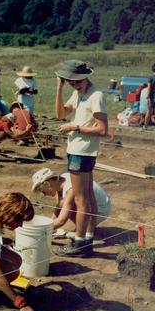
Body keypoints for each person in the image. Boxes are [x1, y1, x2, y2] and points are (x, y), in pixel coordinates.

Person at [54, 60, 108, 255]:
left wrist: (74, 127)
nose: (74, 84)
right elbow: (60, 114)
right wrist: (59, 88)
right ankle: (88, 237)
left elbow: (102, 130)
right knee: (88, 196)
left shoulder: (96, 95)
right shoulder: (78, 93)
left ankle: (79, 243)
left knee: (81, 199)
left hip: (82, 152)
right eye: (70, 81)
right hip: (78, 150)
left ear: (86, 77)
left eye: (77, 81)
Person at [31, 168, 111, 244]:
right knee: (65, 205)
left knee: (68, 206)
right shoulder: (61, 181)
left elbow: (61, 220)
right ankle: (85, 228)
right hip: (95, 206)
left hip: (100, 210)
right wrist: (49, 227)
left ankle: (85, 230)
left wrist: (39, 231)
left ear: (47, 184)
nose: (44, 195)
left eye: (43, 191)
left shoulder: (70, 187)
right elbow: (59, 208)